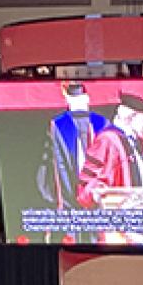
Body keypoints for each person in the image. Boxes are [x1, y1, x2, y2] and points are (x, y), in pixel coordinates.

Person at [36, 81, 109, 216]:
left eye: (80, 99)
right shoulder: (57, 125)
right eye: (75, 100)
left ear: (87, 99)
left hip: (96, 195)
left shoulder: (102, 123)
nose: (78, 103)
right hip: (74, 196)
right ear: (68, 101)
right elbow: (58, 167)